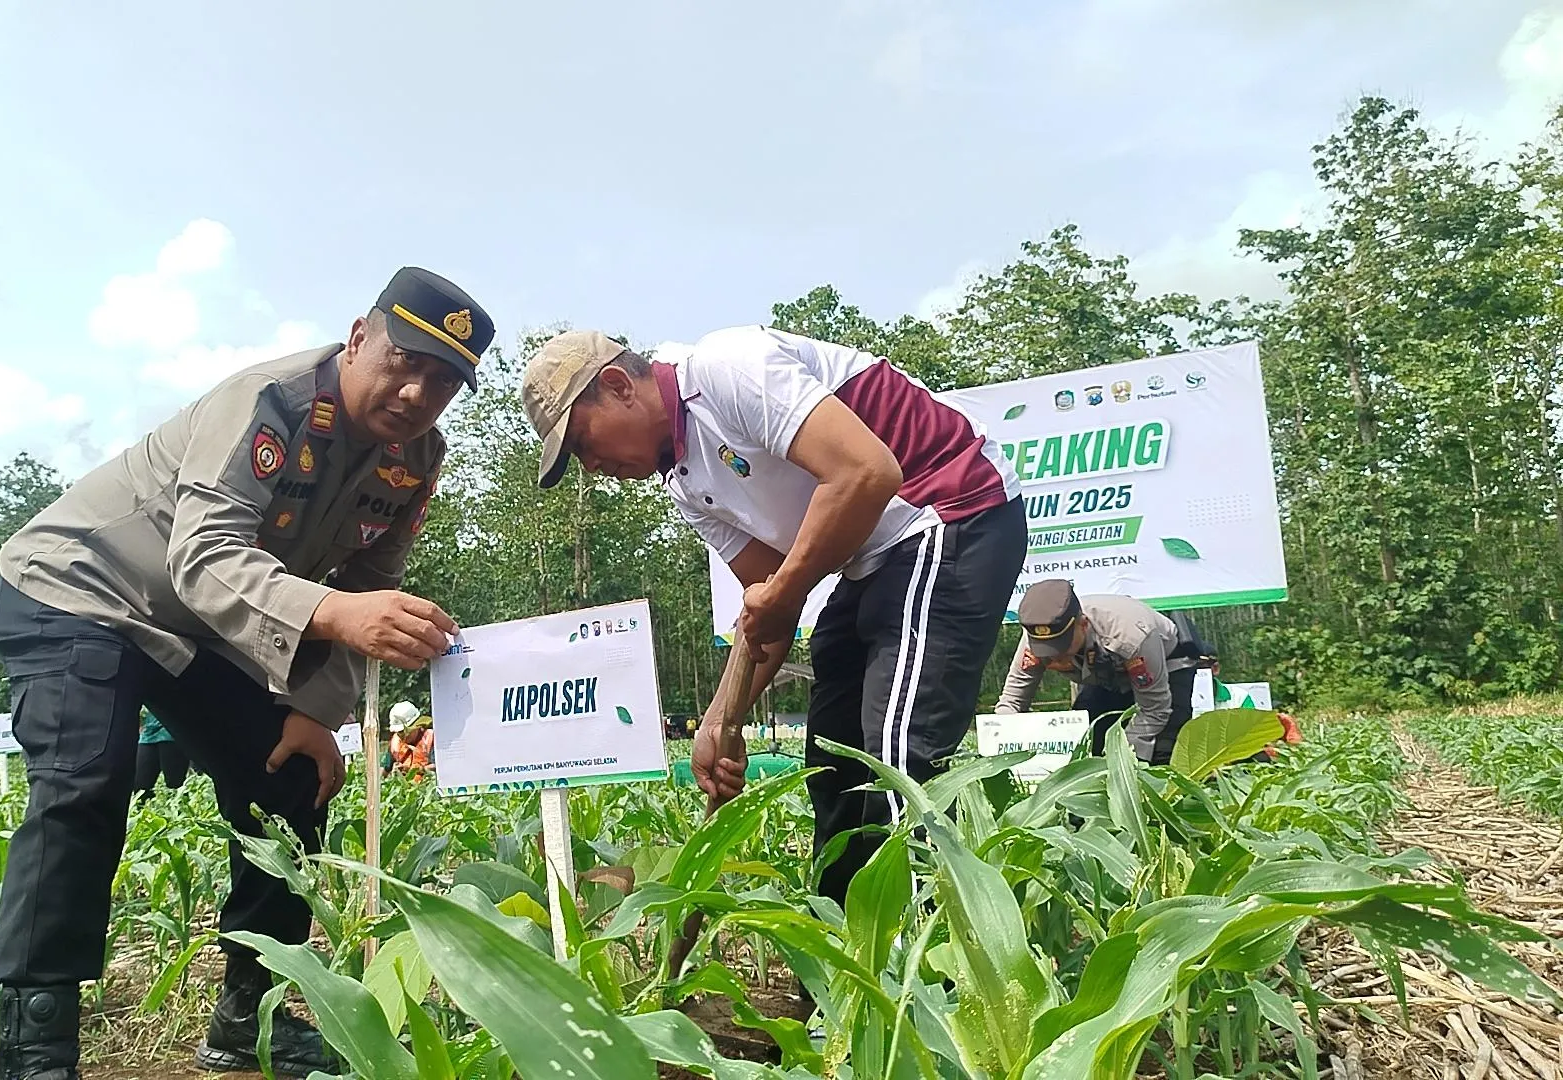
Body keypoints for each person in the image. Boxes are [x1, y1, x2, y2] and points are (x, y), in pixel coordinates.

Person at [0, 266, 490, 1080]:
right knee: (85, 782)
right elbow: (204, 558)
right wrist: (337, 615)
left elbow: (366, 588)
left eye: (442, 381)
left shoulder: (417, 459)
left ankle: (246, 1018)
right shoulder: (271, 401)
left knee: (293, 780)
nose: (414, 392)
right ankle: (34, 1045)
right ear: (359, 338)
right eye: (404, 360)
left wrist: (312, 710)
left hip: (194, 629)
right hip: (80, 588)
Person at [522, 325, 1027, 910]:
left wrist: (784, 588)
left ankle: (930, 962)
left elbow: (868, 473)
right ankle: (848, 953)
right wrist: (719, 721)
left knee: (895, 754)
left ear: (618, 386)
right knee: (831, 760)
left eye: (582, 442)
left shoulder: (725, 369)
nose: (590, 466)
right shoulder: (687, 488)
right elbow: (768, 614)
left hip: (950, 506)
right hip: (874, 556)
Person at [992, 579, 1206, 765]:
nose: (1055, 657)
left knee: (1161, 751)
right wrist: (1001, 746)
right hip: (1106, 675)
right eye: (1046, 651)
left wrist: (1123, 763)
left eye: (1061, 646)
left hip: (1166, 667)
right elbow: (1011, 702)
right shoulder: (1035, 636)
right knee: (1083, 741)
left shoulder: (1131, 636)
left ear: (1083, 625)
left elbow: (1154, 709)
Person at [133, 707, 189, 805]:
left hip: (171, 732)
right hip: (148, 732)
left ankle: (182, 814)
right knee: (140, 785)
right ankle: (145, 815)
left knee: (175, 783)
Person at [387, 714, 434, 780]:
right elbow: (383, 770)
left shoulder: (431, 738)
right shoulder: (395, 743)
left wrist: (417, 770)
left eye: (403, 731)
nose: (401, 736)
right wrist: (394, 772)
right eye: (399, 732)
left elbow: (440, 767)